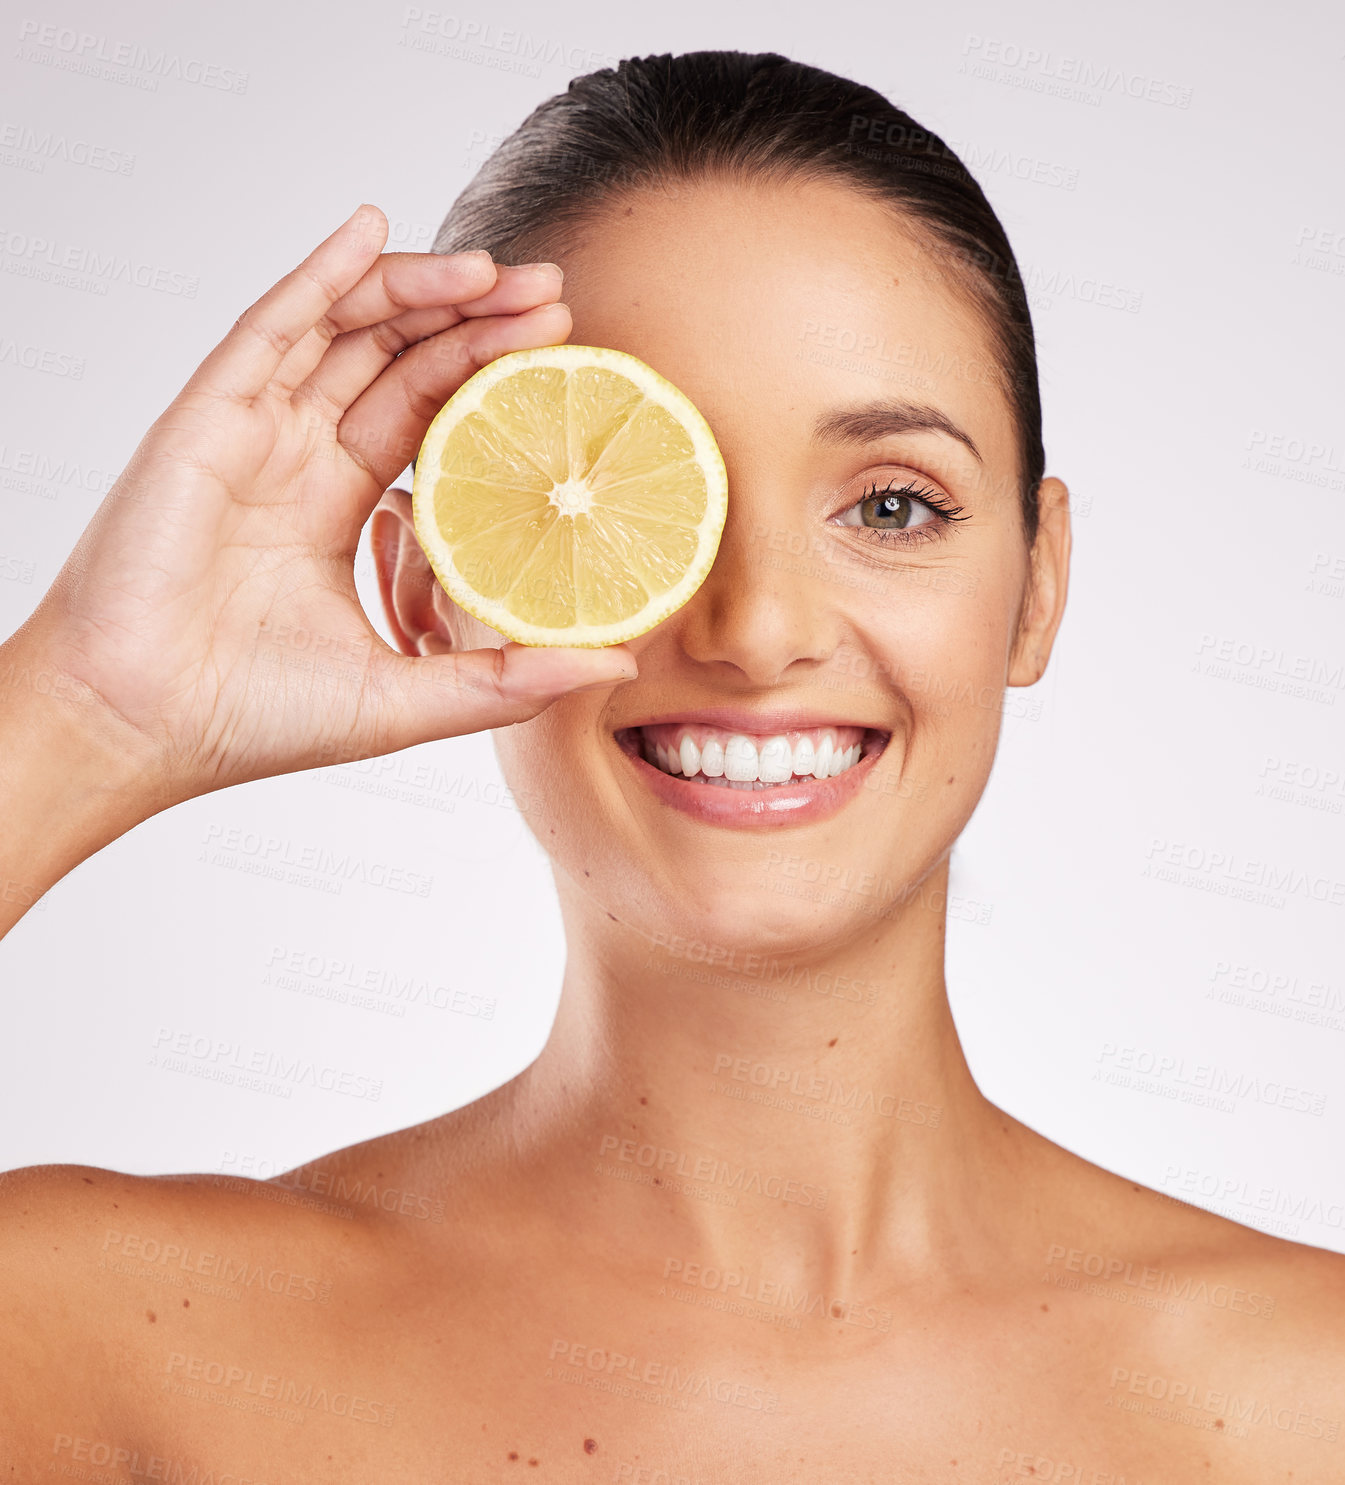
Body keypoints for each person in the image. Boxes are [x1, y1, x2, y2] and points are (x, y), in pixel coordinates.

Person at [1, 49, 1341, 1482]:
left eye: (890, 504)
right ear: (428, 588)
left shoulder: (1301, 1398)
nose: (756, 629)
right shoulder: (106, 1338)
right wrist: (88, 709)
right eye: (625, 502)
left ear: (1034, 585)